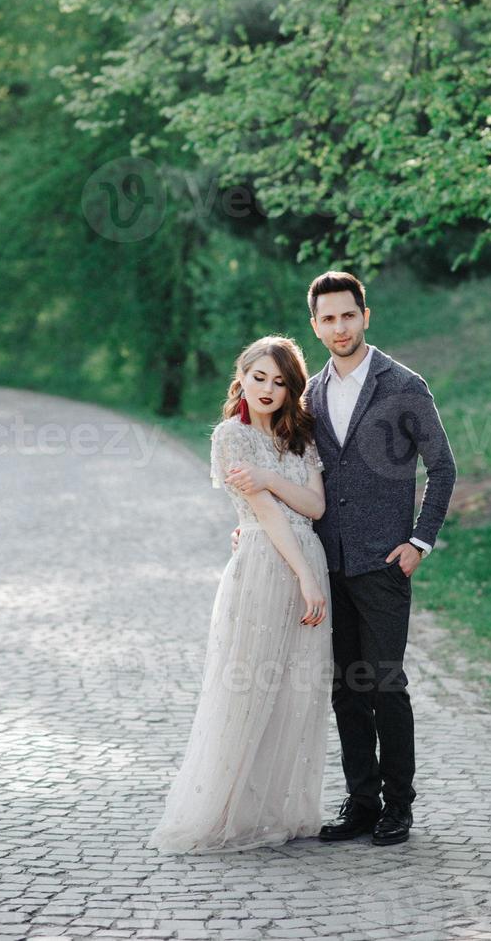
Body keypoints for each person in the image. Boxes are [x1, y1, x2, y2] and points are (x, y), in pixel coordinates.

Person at [233, 271, 457, 846]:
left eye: (348, 315)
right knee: (344, 688)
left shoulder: (405, 385)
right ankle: (361, 802)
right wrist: (252, 528)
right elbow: (284, 472)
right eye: (328, 319)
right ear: (315, 325)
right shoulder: (307, 395)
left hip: (384, 563)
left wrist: (419, 542)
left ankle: (398, 807)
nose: (339, 327)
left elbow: (443, 467)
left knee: (385, 684)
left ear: (365, 315)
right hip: (327, 562)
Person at [148, 336, 334, 853]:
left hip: (305, 561)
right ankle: (227, 812)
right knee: (248, 686)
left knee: (296, 692)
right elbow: (267, 514)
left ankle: (277, 810)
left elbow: (315, 507)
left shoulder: (300, 437)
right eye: (259, 378)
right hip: (265, 565)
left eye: (280, 382)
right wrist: (305, 575)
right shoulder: (231, 436)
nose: (269, 389)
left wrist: (270, 475)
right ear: (242, 377)